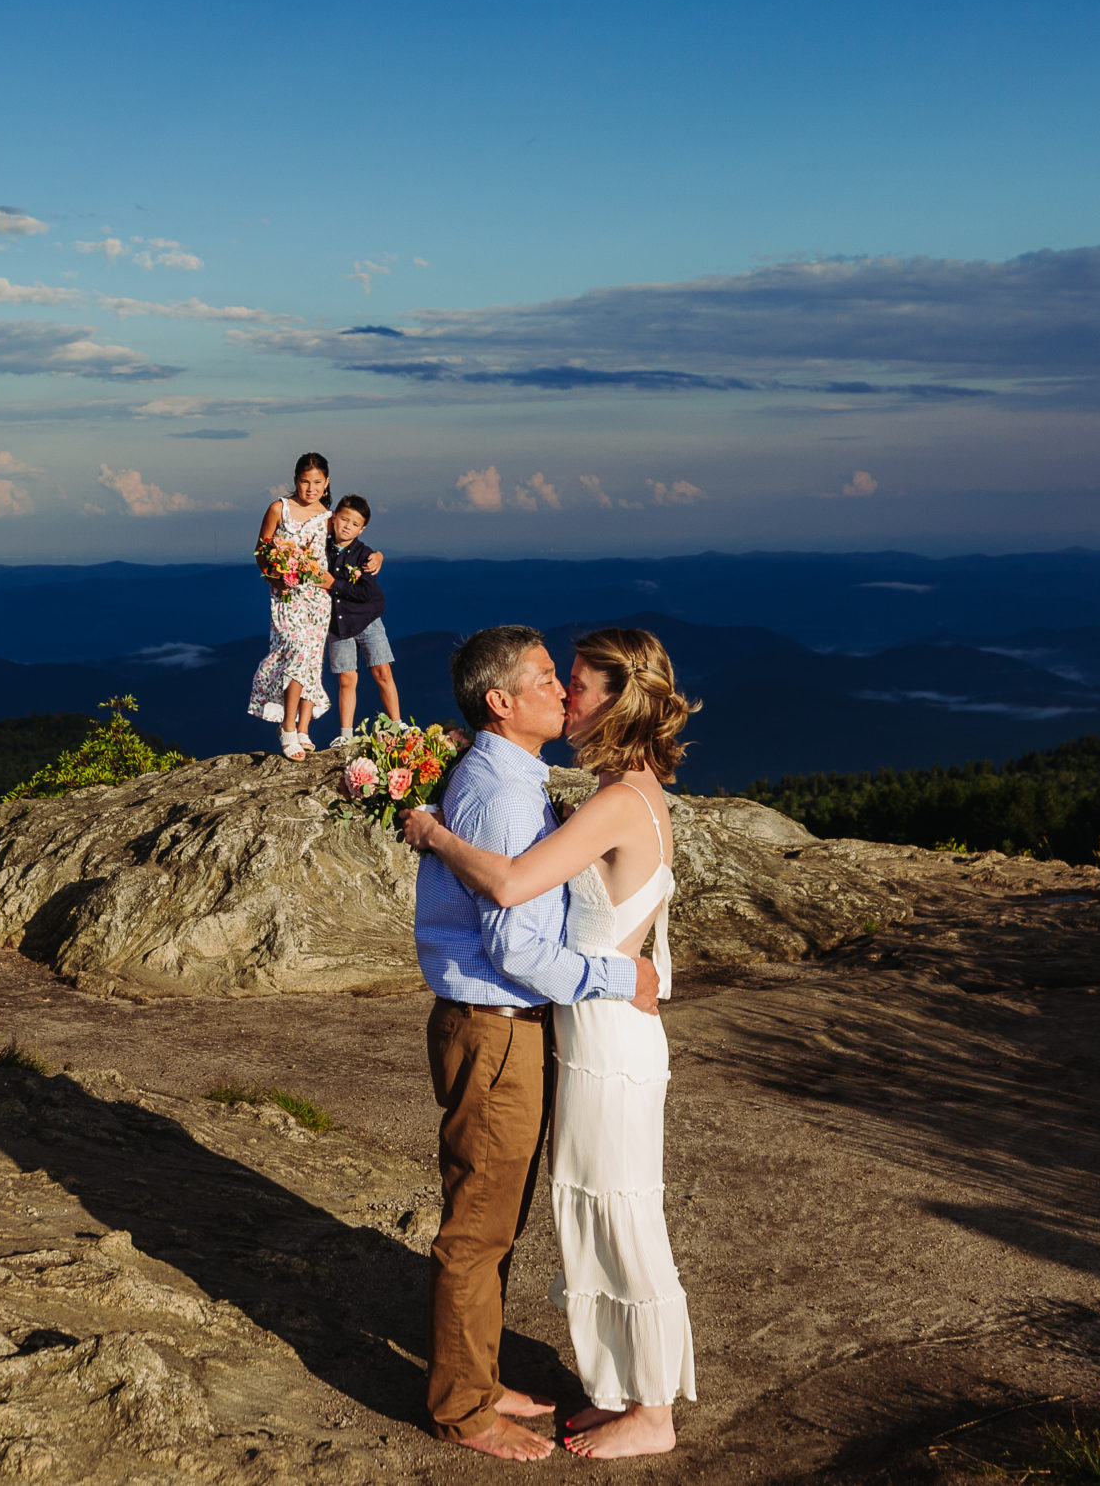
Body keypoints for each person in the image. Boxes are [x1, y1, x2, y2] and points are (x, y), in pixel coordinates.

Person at [406, 626, 699, 1460]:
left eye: (575, 682)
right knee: (537, 1216)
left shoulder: (605, 797)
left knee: (618, 1214)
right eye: (552, 678)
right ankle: (483, 1393)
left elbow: (507, 887)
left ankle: (649, 1409)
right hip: (564, 1027)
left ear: (618, 698)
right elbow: (518, 926)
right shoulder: (589, 789)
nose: (565, 694)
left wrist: (430, 831)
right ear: (502, 701)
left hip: (602, 1037)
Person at [246, 453, 333, 759]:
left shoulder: (330, 517)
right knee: (296, 649)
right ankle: (287, 727)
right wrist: (275, 574)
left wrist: (378, 557)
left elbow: (351, 549)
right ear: (295, 480)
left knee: (312, 660)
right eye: (305, 481)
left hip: (318, 601)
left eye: (317, 482)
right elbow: (261, 550)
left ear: (327, 483)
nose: (311, 488)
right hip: (286, 596)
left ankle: (304, 728)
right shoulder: (279, 508)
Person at [324, 494, 399, 737]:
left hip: (368, 621)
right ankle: (346, 734)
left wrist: (334, 583)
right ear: (334, 518)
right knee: (347, 679)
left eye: (355, 524)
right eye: (344, 519)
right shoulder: (320, 548)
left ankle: (397, 726)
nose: (347, 526)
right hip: (338, 625)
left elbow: (366, 592)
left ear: (362, 528)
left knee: (383, 672)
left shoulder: (365, 555)